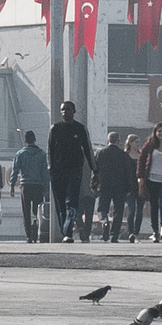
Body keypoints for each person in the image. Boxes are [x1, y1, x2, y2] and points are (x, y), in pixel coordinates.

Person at [46, 102, 95, 243]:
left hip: (74, 170)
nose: (65, 112)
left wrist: (94, 169)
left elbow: (88, 149)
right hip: (57, 172)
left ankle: (68, 232)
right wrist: (50, 168)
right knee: (60, 203)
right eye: (62, 110)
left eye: (68, 109)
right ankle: (64, 229)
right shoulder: (55, 129)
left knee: (71, 201)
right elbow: (49, 150)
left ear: (74, 111)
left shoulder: (80, 129)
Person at [93, 132, 134, 243]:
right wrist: (129, 188)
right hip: (120, 186)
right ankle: (114, 235)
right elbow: (128, 173)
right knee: (118, 210)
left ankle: (104, 222)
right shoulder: (123, 155)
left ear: (108, 141)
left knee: (102, 208)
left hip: (104, 185)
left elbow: (95, 170)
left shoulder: (101, 153)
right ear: (118, 141)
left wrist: (94, 184)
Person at [10, 130, 49, 242]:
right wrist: (46, 187)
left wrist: (12, 186)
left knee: (26, 211)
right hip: (38, 185)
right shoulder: (42, 154)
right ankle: (36, 230)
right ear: (35, 139)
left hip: (25, 185)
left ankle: (28, 235)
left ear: (25, 140)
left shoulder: (20, 154)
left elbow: (15, 170)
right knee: (37, 210)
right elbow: (45, 173)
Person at [122, 134, 144, 239]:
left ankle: (136, 231)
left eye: (139, 142)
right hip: (129, 186)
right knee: (131, 209)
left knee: (140, 210)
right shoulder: (125, 156)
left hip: (140, 185)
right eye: (136, 142)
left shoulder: (141, 155)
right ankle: (130, 231)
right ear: (130, 143)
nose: (138, 144)